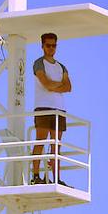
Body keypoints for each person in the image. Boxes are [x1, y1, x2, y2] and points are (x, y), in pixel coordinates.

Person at [30, 32, 72, 185]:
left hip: (59, 109)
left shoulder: (61, 67)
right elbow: (45, 83)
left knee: (56, 145)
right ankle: (35, 176)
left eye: (54, 45)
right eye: (48, 45)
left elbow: (68, 87)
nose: (51, 48)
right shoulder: (39, 63)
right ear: (42, 46)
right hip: (43, 107)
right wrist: (58, 85)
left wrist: (53, 85)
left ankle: (56, 179)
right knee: (40, 141)